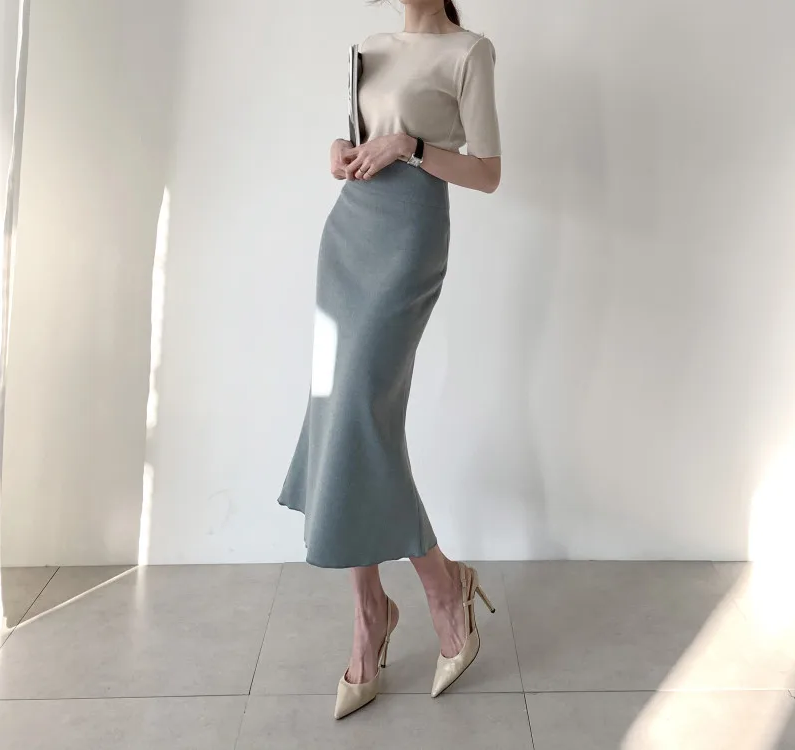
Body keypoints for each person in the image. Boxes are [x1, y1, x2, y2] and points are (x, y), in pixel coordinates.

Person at [277, 0, 502, 719]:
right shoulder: (370, 45)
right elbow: (355, 140)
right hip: (347, 237)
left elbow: (488, 173)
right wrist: (339, 151)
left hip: (408, 237)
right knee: (338, 415)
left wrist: (410, 146)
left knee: (360, 418)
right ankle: (371, 610)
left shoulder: (469, 52)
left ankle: (439, 583)